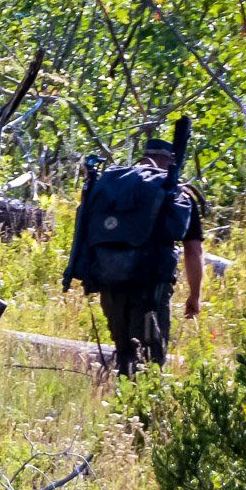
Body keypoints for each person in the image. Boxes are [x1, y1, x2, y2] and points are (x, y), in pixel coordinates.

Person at [67, 137, 205, 375]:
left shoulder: (111, 186)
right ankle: (141, 408)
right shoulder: (172, 192)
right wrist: (195, 296)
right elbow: (193, 250)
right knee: (150, 358)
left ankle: (122, 401)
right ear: (170, 161)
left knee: (124, 352)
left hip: (110, 280)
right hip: (150, 287)